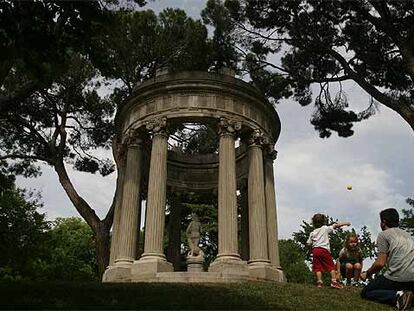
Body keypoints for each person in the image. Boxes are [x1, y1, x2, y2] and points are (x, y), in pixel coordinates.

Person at [361, 208, 414, 311]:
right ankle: (408, 295)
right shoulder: (408, 235)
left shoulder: (384, 234)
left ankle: (398, 296)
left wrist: (367, 273)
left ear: (384, 222)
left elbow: (380, 264)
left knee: (366, 292)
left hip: (398, 277)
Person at [306, 213, 351, 288]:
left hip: (315, 250)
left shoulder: (312, 233)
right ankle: (334, 281)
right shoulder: (325, 228)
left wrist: (309, 250)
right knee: (331, 266)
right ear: (323, 222)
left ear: (313, 223)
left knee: (317, 267)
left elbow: (308, 243)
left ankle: (319, 282)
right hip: (324, 250)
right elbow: (336, 225)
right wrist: (346, 223)